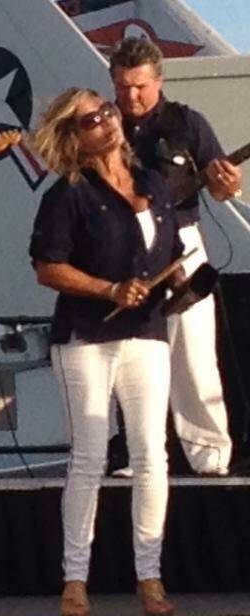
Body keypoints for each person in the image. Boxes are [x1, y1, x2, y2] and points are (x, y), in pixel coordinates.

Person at [30, 87, 183, 616]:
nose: (106, 123)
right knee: (90, 456)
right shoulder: (68, 194)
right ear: (74, 137)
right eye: (91, 120)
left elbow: (171, 250)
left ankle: (151, 573)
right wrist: (107, 289)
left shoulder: (152, 184)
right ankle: (75, 578)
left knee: (150, 454)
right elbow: (48, 266)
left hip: (145, 331)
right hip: (87, 337)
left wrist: (176, 275)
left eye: (107, 112)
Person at [109, 36, 240, 476]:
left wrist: (226, 184)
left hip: (181, 241)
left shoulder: (188, 124)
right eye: (123, 86)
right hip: (123, 246)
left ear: (158, 81)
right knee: (132, 354)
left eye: (140, 86)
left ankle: (210, 457)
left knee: (193, 354)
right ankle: (138, 453)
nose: (132, 96)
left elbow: (222, 187)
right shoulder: (102, 125)